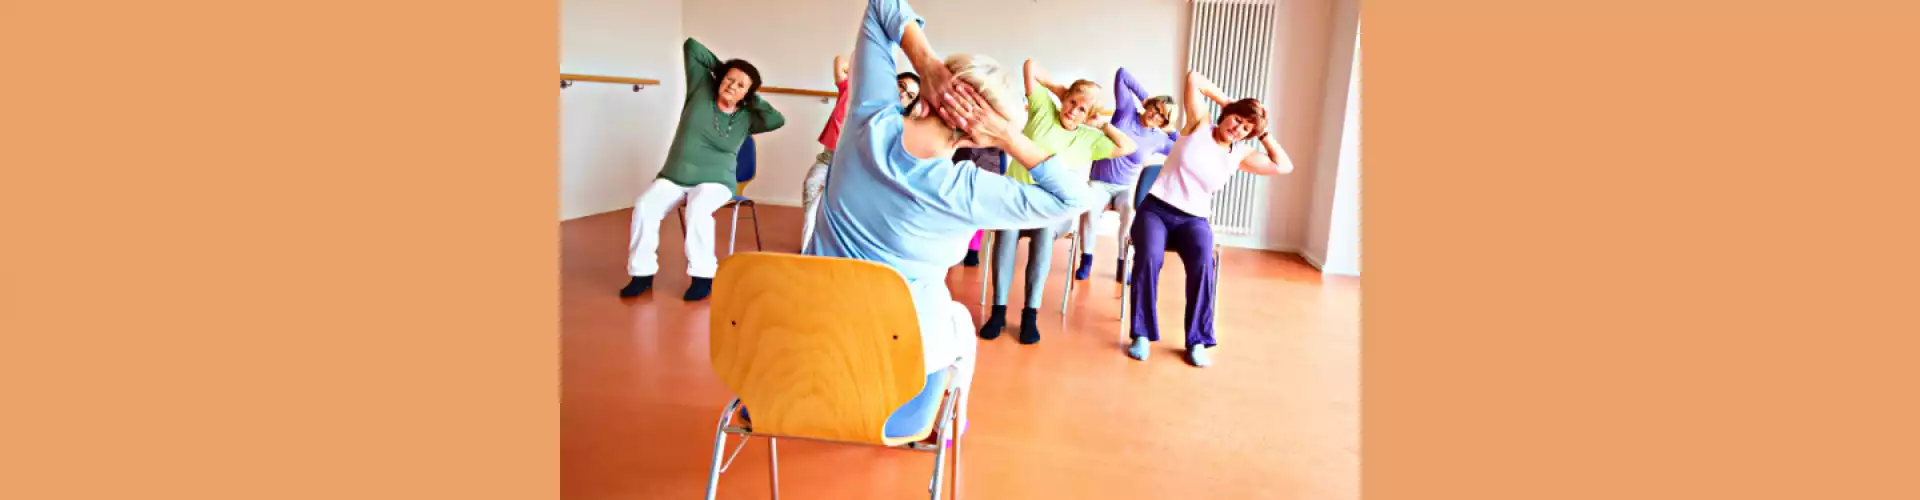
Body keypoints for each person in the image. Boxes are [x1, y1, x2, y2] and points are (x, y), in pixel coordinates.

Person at [805, 0, 1100, 436]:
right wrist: (1009, 138)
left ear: (926, 91)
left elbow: (880, 7)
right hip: (890, 393)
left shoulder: (867, 122)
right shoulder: (969, 191)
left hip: (801, 369)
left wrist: (925, 63)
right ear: (977, 133)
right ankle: (950, 427)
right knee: (959, 322)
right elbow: (1073, 198)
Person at [1126, 71, 1293, 367]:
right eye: (1237, 120)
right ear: (1227, 114)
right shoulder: (1199, 123)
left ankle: (1198, 340)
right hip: (1156, 209)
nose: (1238, 129)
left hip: (1194, 220)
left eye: (1246, 128)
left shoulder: (1239, 154)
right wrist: (1230, 104)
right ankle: (1141, 333)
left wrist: (1263, 132)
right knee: (1149, 257)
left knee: (1204, 263)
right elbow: (1194, 78)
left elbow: (1284, 166)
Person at [979, 60, 1137, 345]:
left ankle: (1030, 314)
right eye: (1072, 102)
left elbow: (1128, 147)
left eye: (1082, 109)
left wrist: (1103, 124)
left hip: (1050, 207)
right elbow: (1029, 66)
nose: (1073, 111)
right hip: (1016, 198)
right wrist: (1060, 90)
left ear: (1089, 115)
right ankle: (998, 311)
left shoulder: (1090, 138)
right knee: (1006, 235)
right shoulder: (1043, 109)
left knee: (1042, 235)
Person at [619, 38, 786, 301]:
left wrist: (749, 95)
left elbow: (777, 119)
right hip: (676, 176)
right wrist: (726, 72)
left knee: (698, 209)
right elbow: (692, 47)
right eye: (729, 80)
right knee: (645, 206)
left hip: (716, 181)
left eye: (740, 85)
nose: (732, 86)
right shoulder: (701, 89)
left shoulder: (747, 117)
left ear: (748, 94)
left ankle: (702, 276)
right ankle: (642, 274)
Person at [798, 65, 923, 254]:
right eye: (901, 86)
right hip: (828, 163)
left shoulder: (900, 125)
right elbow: (841, 64)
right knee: (812, 191)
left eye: (911, 96)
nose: (903, 94)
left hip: (858, 176)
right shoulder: (860, 96)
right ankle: (808, 252)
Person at [1078, 67, 1180, 282]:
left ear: (1164, 121)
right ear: (1148, 105)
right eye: (1155, 108)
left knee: (1129, 217)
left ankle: (1122, 265)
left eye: (1162, 115)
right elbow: (1122, 74)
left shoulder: (1159, 139)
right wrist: (1146, 98)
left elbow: (1182, 148)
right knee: (1088, 211)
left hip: (1125, 188)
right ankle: (1086, 260)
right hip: (1099, 183)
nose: (1155, 115)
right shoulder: (1126, 113)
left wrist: (1171, 130)